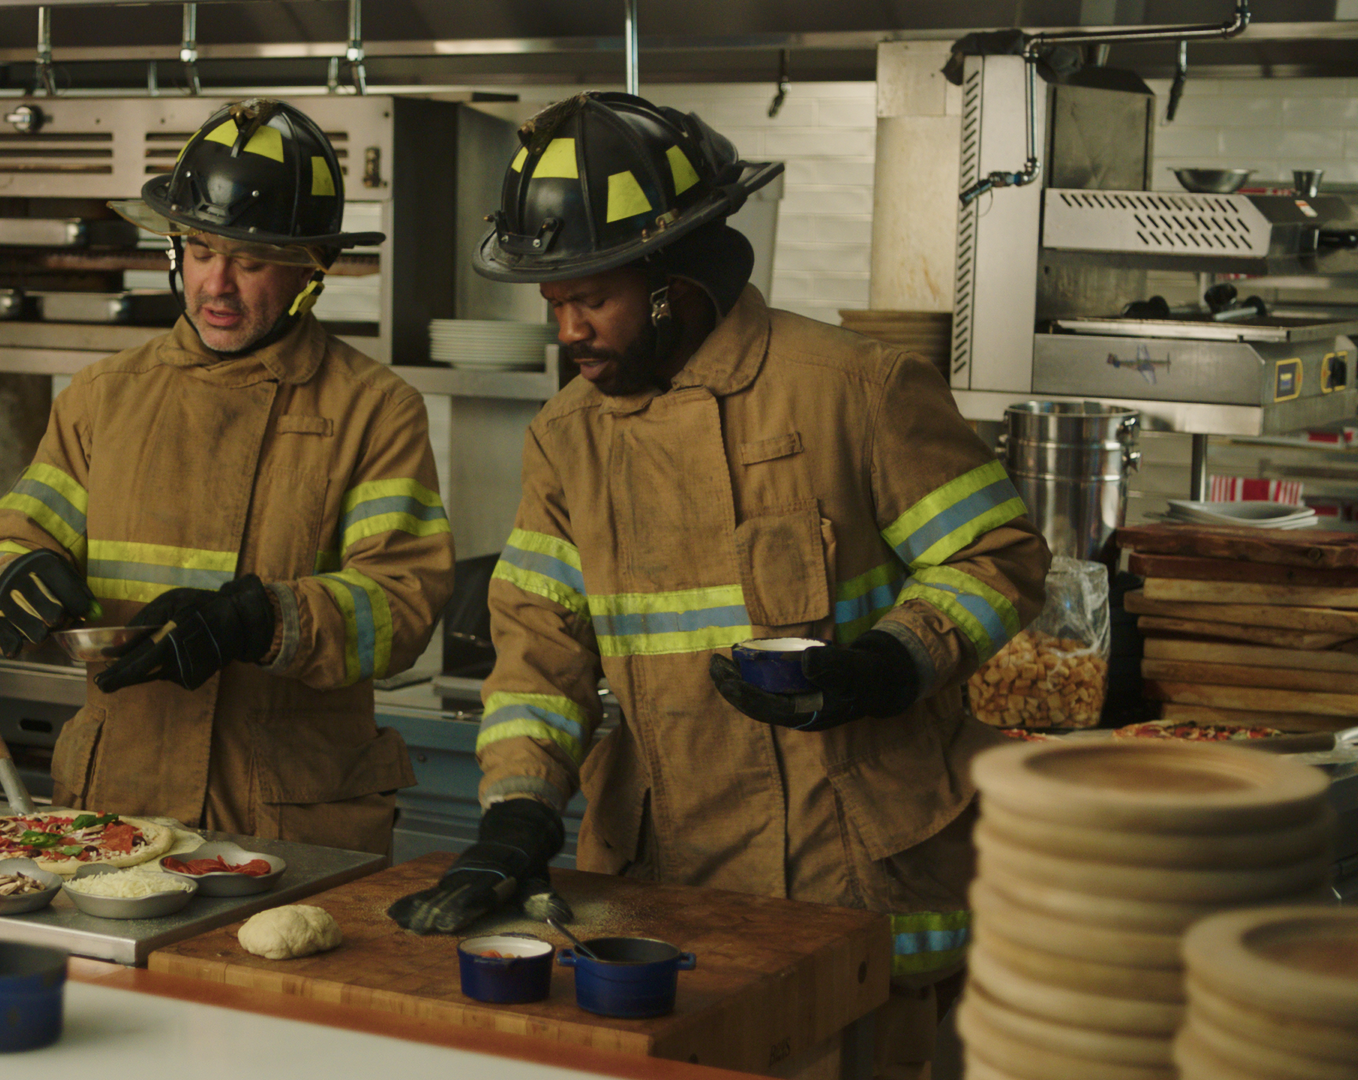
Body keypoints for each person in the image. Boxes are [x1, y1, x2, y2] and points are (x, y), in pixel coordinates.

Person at [386, 92, 1051, 1078]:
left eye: (592, 298)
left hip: (858, 869)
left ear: (675, 279)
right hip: (664, 881)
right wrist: (518, 812)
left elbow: (998, 556)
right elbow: (538, 653)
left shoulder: (854, 390)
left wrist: (889, 662)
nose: (568, 330)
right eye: (553, 303)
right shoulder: (567, 440)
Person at [0, 99, 453, 856]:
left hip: (284, 822)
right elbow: (3, 540)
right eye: (199, 250)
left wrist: (262, 621)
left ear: (308, 268)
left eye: (249, 261)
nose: (216, 284)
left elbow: (401, 606)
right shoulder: (100, 398)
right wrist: (5, 580)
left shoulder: (376, 411)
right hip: (113, 808)